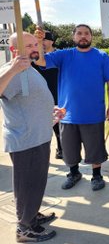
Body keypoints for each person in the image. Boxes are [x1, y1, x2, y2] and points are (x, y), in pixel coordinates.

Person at [34, 24, 109, 191]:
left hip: (93, 113)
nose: (83, 36)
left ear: (91, 37)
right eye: (79, 33)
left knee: (95, 149)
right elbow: (40, 60)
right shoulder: (64, 55)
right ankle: (74, 173)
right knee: (69, 149)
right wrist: (38, 41)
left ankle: (97, 175)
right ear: (74, 37)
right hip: (68, 114)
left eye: (86, 33)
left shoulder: (102, 56)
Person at [1, 32, 65, 243]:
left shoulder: (30, 67)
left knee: (36, 182)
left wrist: (51, 111)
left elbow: (30, 100)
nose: (34, 48)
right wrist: (12, 69)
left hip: (39, 136)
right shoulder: (11, 71)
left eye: (35, 44)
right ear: (13, 50)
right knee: (27, 184)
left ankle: (31, 214)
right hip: (25, 140)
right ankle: (24, 228)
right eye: (28, 45)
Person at [32, 31, 62, 159]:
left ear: (52, 41)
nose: (42, 43)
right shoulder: (35, 57)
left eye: (45, 40)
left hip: (57, 92)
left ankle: (61, 147)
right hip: (39, 94)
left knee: (58, 123)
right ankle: (43, 151)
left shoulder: (59, 56)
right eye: (39, 40)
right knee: (41, 124)